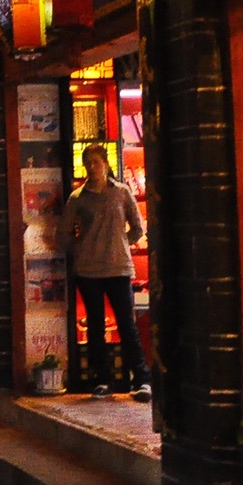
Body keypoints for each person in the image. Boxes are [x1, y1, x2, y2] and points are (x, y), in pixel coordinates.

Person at [57, 145, 150, 401]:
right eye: (88, 163)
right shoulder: (78, 197)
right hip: (88, 270)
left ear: (106, 164)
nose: (92, 168)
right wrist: (81, 248)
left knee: (126, 323)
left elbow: (137, 227)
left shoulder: (121, 193)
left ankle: (141, 379)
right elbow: (63, 233)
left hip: (118, 267)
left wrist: (120, 242)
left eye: (96, 162)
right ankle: (102, 380)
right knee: (95, 326)